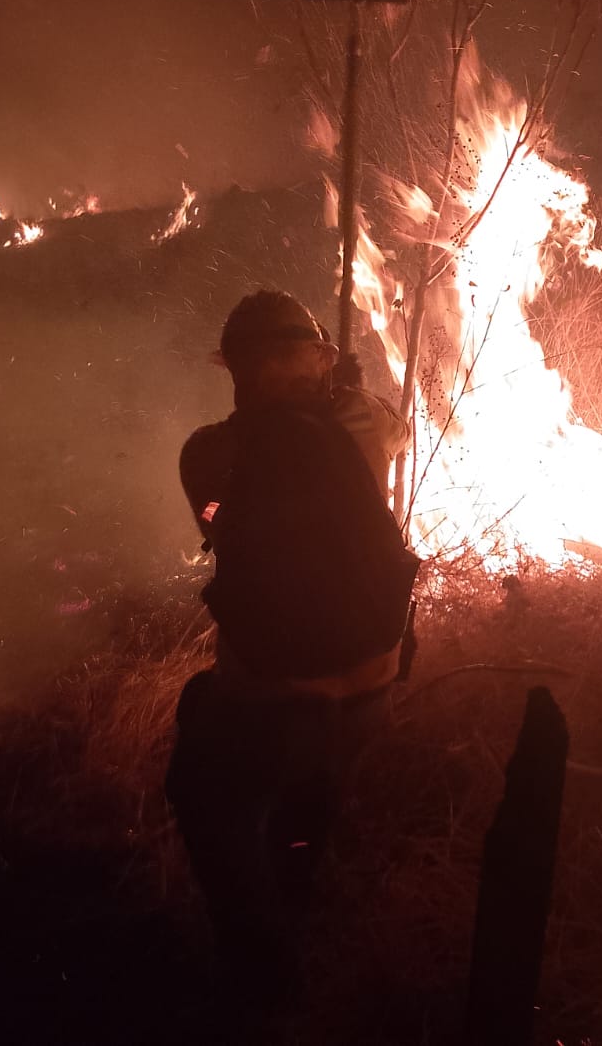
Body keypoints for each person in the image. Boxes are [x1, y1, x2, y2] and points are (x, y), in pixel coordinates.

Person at [165, 289, 418, 993]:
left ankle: (257, 965)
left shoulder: (209, 455)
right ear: (321, 359)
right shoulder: (367, 425)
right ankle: (302, 907)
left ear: (235, 368)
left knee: (198, 788)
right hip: (372, 676)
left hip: (269, 692)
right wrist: (346, 392)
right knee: (310, 803)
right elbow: (399, 431)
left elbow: (215, 521)